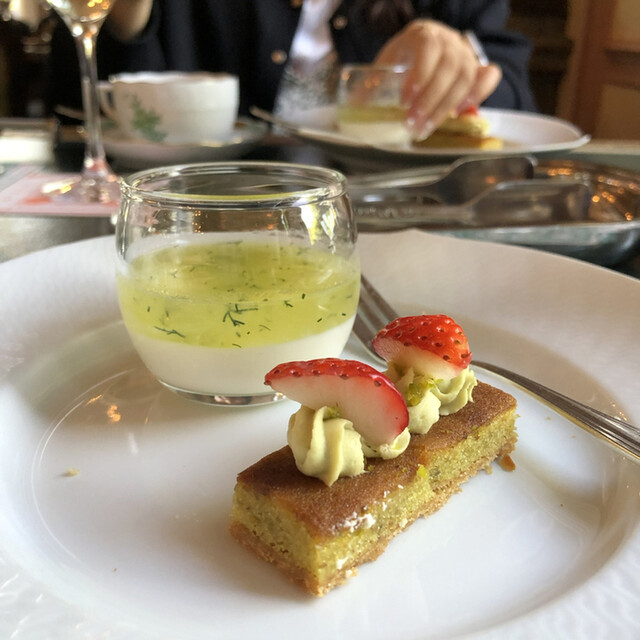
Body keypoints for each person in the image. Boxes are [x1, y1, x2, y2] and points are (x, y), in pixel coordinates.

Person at [46, 0, 536, 137]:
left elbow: (519, 99)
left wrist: (458, 65)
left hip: (404, 219)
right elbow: (73, 108)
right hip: (205, 212)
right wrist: (128, 22)